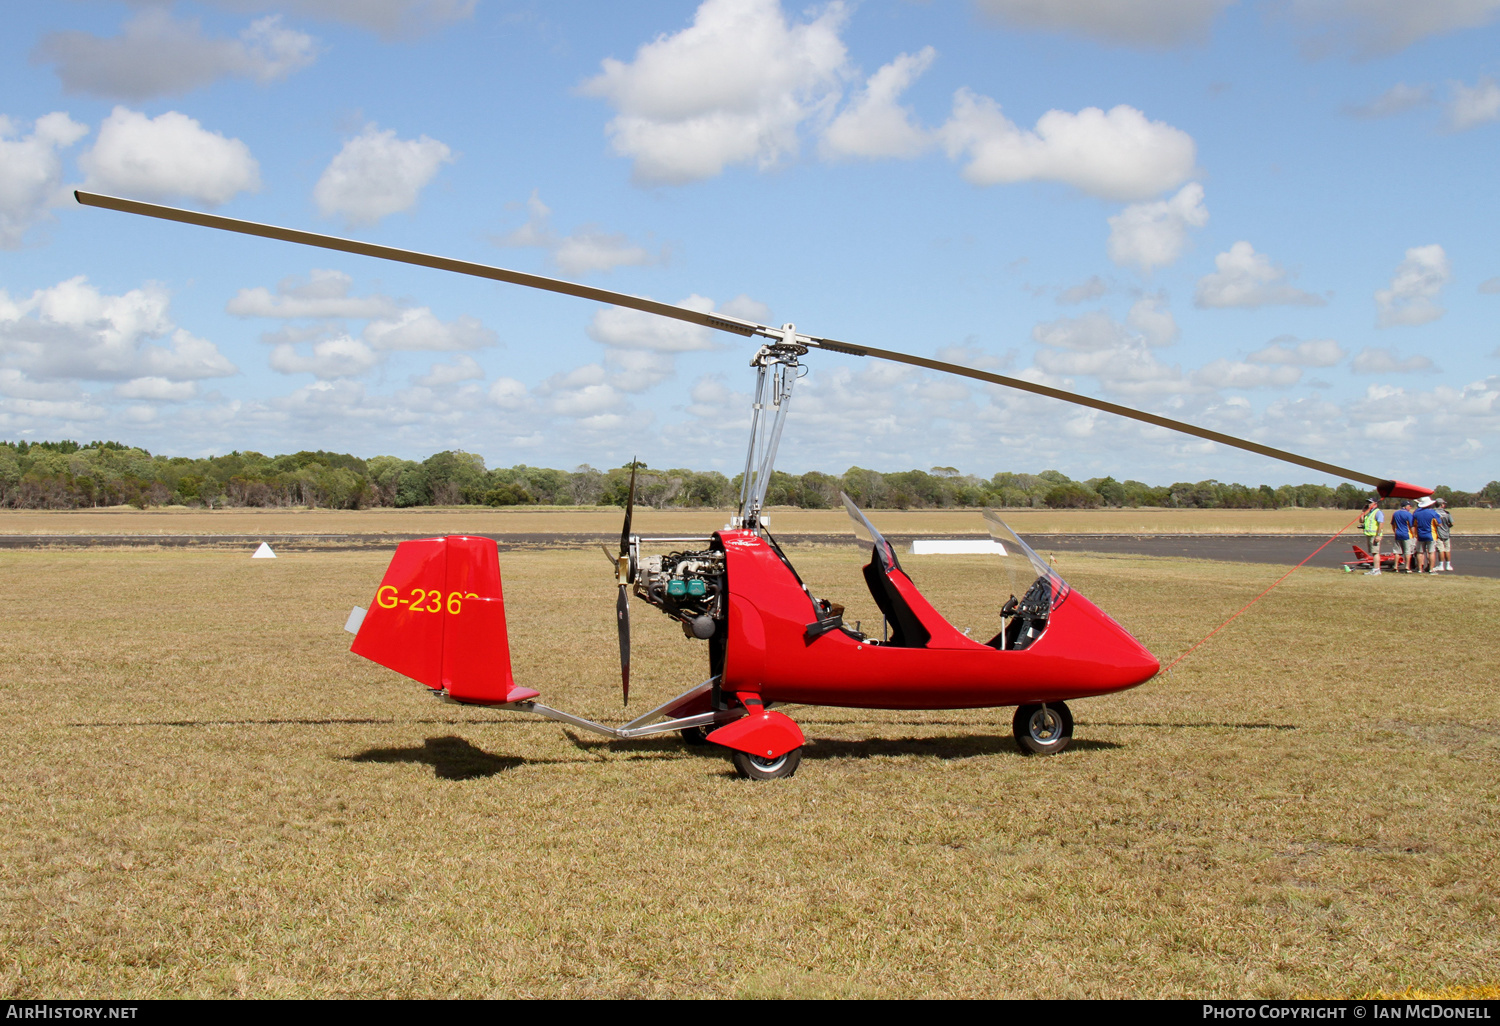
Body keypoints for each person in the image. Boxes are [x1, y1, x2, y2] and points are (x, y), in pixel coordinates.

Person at [1412, 496, 1440, 573]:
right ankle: (1431, 569)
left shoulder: (1416, 513)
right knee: (1431, 552)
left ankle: (1420, 569)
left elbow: (1414, 524)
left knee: (1420, 552)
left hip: (1420, 535)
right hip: (1431, 535)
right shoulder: (1433, 513)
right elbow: (1439, 524)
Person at [1360, 498, 1385, 575]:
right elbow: (1361, 520)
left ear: (1375, 503)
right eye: (1368, 503)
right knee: (1373, 552)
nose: (1369, 504)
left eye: (1370, 503)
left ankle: (1376, 569)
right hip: (1369, 535)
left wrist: (1378, 535)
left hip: (1375, 535)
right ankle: (1375, 569)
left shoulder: (1378, 512)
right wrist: (1363, 512)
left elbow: (1381, 523)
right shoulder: (1369, 512)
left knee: (1375, 552)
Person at [1391, 500, 1414, 572]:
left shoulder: (1396, 513)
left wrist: (1395, 531)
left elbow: (1393, 524)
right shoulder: (1408, 514)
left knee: (1397, 552)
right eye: (1409, 506)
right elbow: (1411, 525)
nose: (1410, 507)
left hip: (1398, 534)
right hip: (1406, 534)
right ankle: (1407, 567)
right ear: (1406, 506)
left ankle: (1395, 566)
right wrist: (1414, 534)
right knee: (1407, 552)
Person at [1434, 498, 1454, 572]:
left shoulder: (1434, 513)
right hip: (1446, 534)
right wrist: (1448, 527)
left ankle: (1441, 565)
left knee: (1441, 550)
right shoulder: (1447, 513)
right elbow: (1452, 523)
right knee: (1447, 550)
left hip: (1438, 534)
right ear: (1441, 505)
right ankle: (1448, 565)